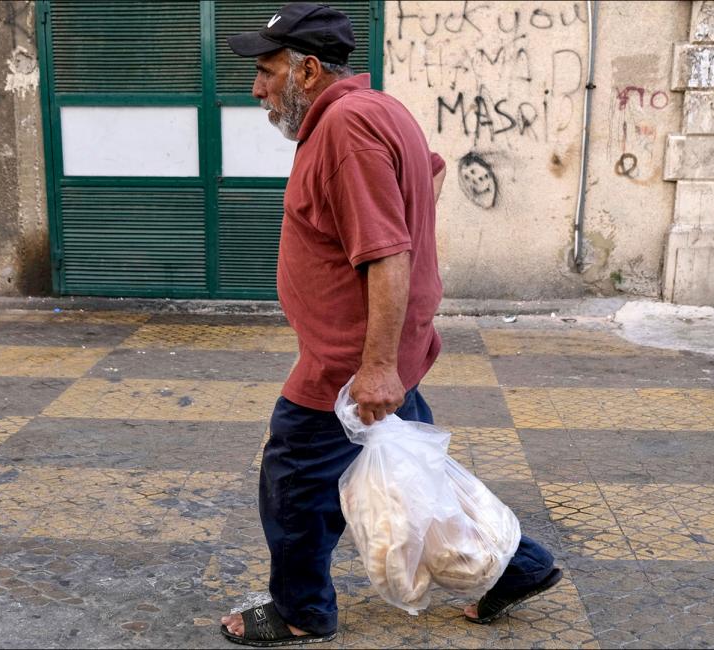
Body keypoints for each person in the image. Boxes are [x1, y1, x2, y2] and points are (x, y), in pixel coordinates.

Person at [220, 3, 562, 646]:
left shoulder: (345, 128)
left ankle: (300, 613)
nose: (256, 87)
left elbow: (384, 250)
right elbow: (427, 176)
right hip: (381, 350)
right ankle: (520, 568)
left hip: (349, 363)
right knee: (419, 474)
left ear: (309, 70)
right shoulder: (378, 109)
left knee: (292, 478)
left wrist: (375, 365)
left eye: (266, 71)